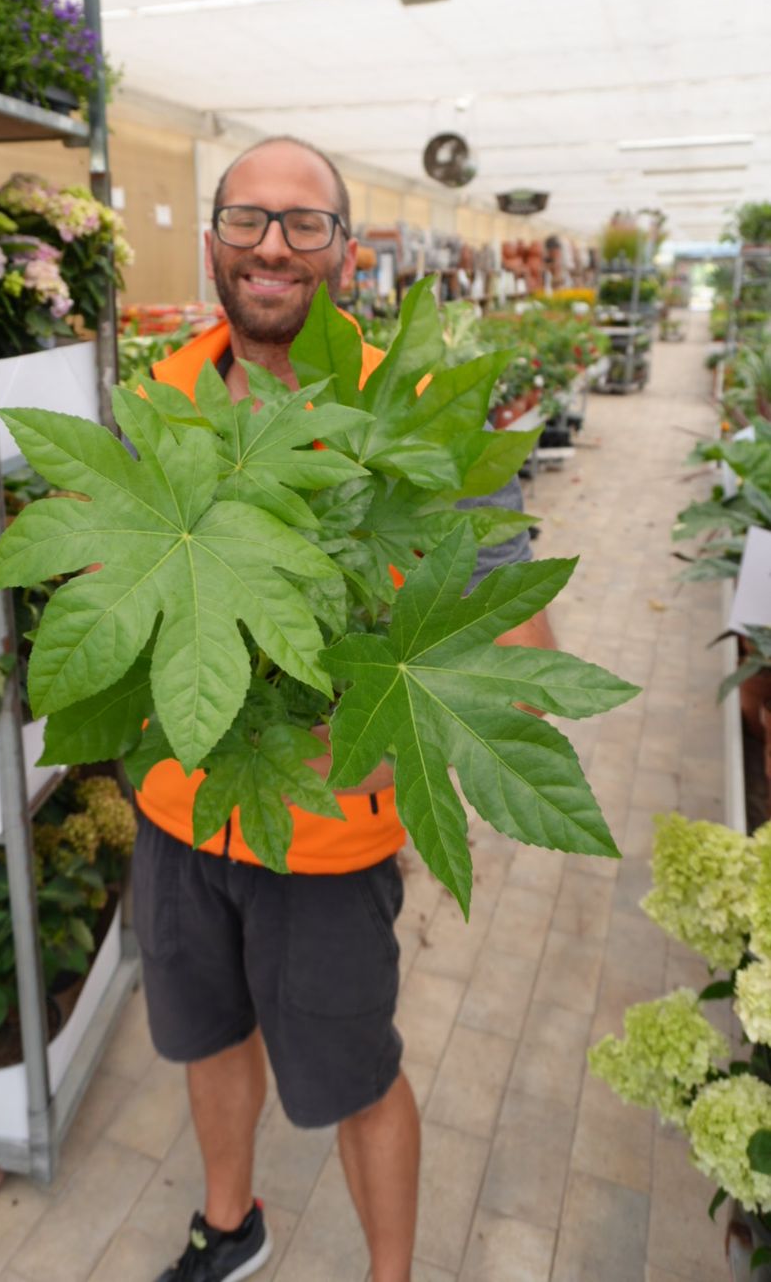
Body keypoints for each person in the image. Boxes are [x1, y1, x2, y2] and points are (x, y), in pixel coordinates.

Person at [136, 136, 553, 1282]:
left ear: (347, 251)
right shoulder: (158, 397)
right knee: (205, 1033)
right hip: (180, 809)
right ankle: (231, 1224)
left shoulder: (414, 408)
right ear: (213, 237)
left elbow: (519, 650)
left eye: (303, 223)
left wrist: (387, 747)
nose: (273, 245)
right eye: (247, 219)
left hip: (326, 836)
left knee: (354, 1073)